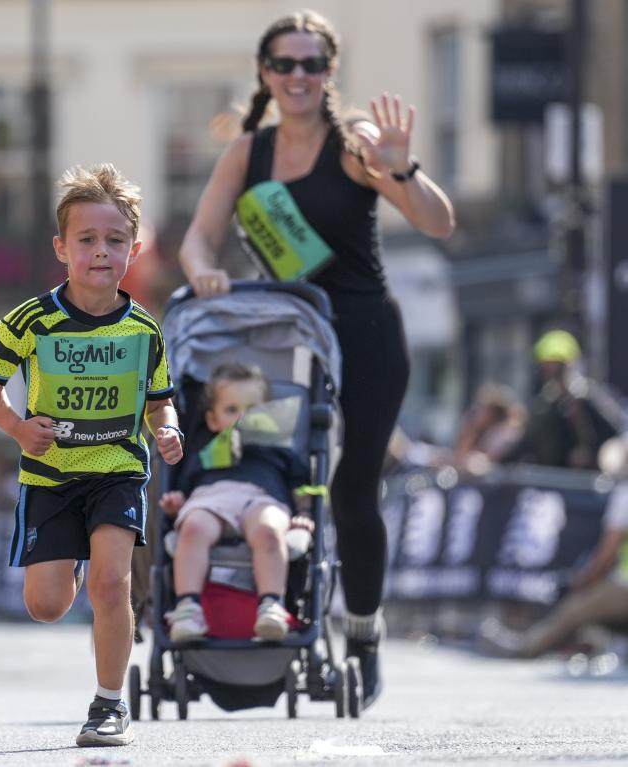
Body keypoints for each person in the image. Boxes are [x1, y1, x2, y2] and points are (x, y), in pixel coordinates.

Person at [177, 9, 454, 709]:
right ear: (264, 74)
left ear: (329, 72)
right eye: (284, 64)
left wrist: (402, 169)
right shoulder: (248, 153)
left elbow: (435, 220)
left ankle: (361, 630)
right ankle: (271, 612)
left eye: (311, 64)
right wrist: (204, 270)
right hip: (283, 338)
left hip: (361, 331)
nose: (297, 76)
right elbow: (197, 238)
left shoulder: (353, 142)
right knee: (269, 478)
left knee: (353, 488)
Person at [0, 163, 183, 748]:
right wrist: (18, 430)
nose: (100, 252)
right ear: (62, 248)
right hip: (51, 477)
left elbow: (160, 403)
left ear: (134, 250)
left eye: (115, 241)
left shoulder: (143, 330)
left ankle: (108, 705)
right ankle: (79, 563)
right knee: (46, 605)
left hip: (117, 471)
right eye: (86, 240)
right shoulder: (32, 321)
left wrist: (168, 432)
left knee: (111, 585)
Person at [160, 362, 313, 642]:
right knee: (192, 527)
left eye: (253, 409)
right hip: (212, 497)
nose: (243, 417)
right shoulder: (203, 451)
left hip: (263, 498)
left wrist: (304, 511)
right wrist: (176, 504)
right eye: (232, 410)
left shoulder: (279, 451)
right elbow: (187, 489)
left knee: (269, 531)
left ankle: (271, 607)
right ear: (212, 420)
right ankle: (188, 609)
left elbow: (302, 486)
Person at [478, 436, 628, 658]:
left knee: (575, 609)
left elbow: (607, 552)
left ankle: (526, 649)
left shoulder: (625, 494)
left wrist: (586, 580)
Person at [500, 330, 622, 470]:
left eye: (557, 366)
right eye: (547, 366)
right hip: (554, 482)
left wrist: (597, 455)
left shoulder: (589, 396)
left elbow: (616, 432)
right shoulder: (544, 405)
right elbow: (528, 442)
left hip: (595, 482)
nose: (551, 372)